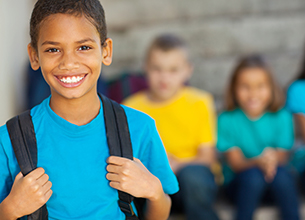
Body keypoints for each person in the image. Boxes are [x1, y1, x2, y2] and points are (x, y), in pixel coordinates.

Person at [0, 0, 179, 219]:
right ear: (34, 56)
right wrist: (9, 210)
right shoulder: (10, 138)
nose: (69, 62)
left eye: (84, 47)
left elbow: (163, 206)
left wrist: (155, 192)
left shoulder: (138, 127)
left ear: (106, 51)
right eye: (53, 49)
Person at [123, 34, 219, 220]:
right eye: (157, 69)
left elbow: (207, 158)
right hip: (151, 184)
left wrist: (176, 165)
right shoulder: (131, 106)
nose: (164, 77)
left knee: (194, 177)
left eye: (173, 70)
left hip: (190, 182)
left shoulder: (200, 102)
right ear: (145, 68)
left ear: (188, 71)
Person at [217, 54, 300, 220]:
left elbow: (283, 156)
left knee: (283, 175)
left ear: (271, 88)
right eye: (245, 86)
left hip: (274, 182)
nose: (253, 93)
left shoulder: (282, 116)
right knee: (254, 176)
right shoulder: (227, 119)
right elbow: (236, 163)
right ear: (234, 88)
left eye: (260, 86)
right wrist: (258, 161)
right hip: (240, 186)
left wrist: (270, 160)